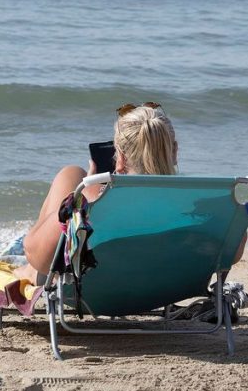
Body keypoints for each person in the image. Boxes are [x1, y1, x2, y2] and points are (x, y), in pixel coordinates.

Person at [16, 102, 178, 281]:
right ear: (175, 152)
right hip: (159, 284)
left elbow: (31, 250)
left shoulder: (96, 202)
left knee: (71, 174)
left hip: (95, 286)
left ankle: (30, 272)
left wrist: (85, 194)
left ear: (120, 159)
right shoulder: (191, 202)